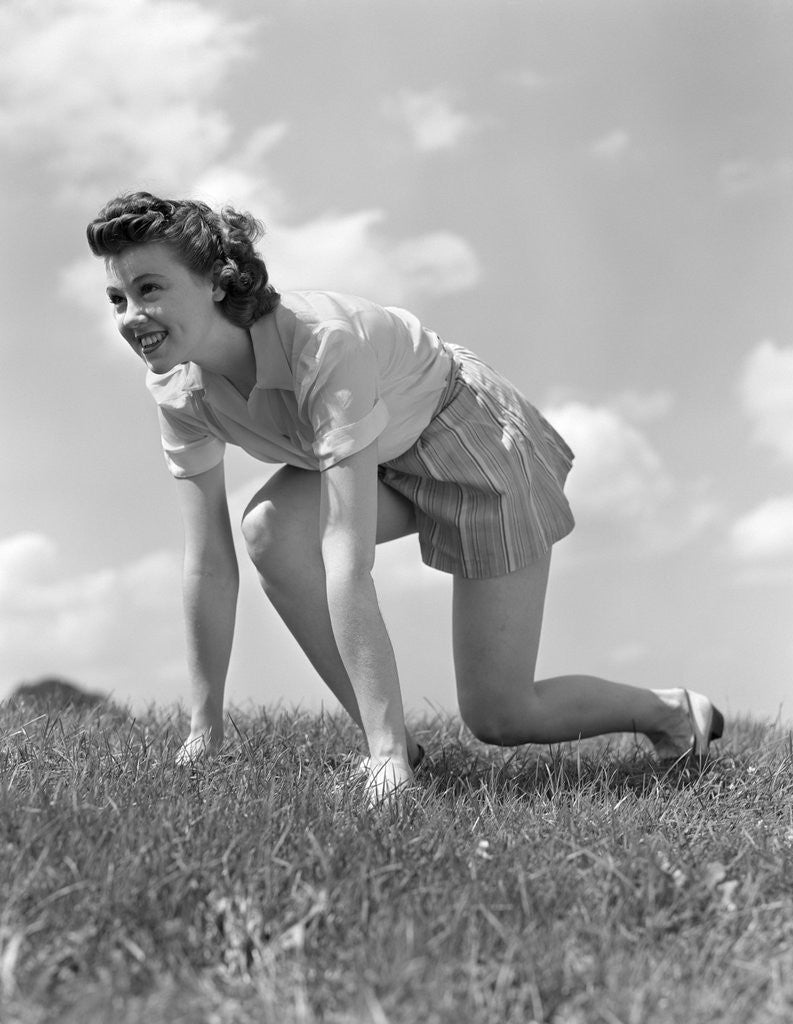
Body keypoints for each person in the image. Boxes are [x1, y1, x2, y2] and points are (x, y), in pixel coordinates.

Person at [86, 192, 724, 804]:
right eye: (117, 297)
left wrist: (384, 757)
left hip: (476, 444)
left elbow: (346, 550)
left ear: (217, 282)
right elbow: (206, 563)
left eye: (149, 288)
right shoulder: (176, 388)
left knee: (501, 716)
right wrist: (205, 729)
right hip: (388, 456)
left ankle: (671, 712)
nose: (130, 316)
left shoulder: (320, 345)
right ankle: (392, 748)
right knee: (269, 531)